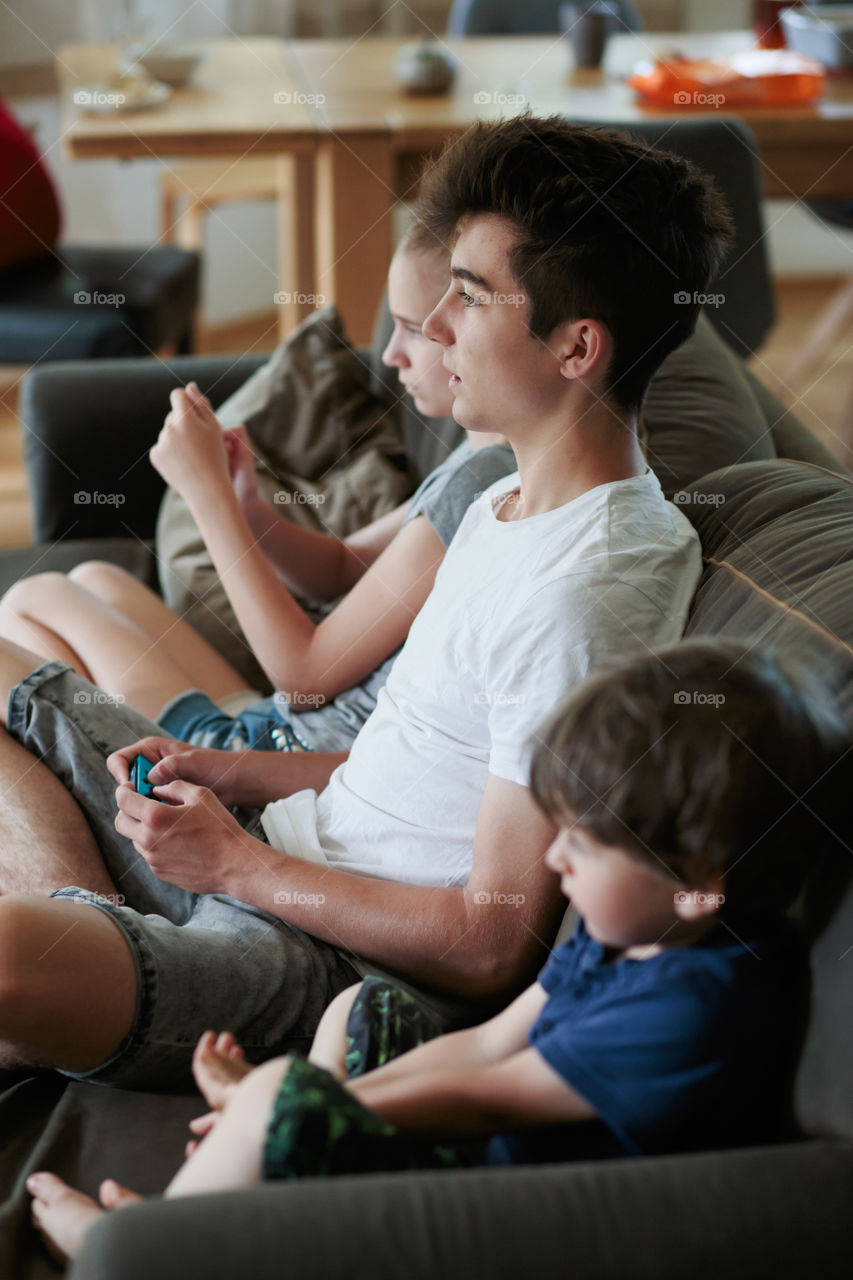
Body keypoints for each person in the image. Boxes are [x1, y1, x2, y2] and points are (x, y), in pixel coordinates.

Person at [0, 115, 730, 1091]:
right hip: (276, 846)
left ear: (575, 347)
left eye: (469, 297)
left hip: (332, 952)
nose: (433, 327)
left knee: (12, 958)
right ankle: (92, 933)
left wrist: (236, 869)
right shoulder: (506, 505)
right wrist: (235, 772)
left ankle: (80, 947)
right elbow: (423, 768)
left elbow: (490, 941)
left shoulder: (585, 592)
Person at [25, 640, 847, 1263]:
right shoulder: (633, 933)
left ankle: (140, 1243)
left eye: (585, 846)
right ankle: (265, 1159)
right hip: (474, 1149)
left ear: (696, 884)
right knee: (359, 1006)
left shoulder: (692, 1011)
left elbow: (489, 1096)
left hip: (498, 1216)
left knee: (275, 1096)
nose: (553, 860)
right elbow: (487, 1045)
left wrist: (288, 1108)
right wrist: (321, 1104)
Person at [0, 230, 514, 751]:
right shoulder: (473, 460)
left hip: (277, 751)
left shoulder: (487, 485)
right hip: (279, 723)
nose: (389, 353)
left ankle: (126, 778)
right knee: (95, 579)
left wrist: (209, 497)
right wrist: (247, 509)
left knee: (29, 601)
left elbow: (304, 676)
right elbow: (343, 565)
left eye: (413, 331)